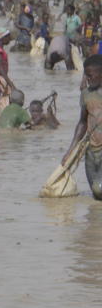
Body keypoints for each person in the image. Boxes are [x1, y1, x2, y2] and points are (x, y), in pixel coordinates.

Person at [64, 54, 102, 199]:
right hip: (91, 152)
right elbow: (82, 122)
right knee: (96, 193)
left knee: (99, 189)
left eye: (90, 75)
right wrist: (70, 151)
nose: (87, 79)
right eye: (85, 75)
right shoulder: (86, 95)